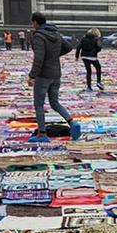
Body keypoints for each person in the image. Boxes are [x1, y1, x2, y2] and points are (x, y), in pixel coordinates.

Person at [27, 12, 81, 143]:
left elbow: (39, 58)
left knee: (39, 105)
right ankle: (72, 122)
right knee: (55, 102)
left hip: (43, 75)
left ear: (35, 22)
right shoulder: (56, 34)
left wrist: (32, 75)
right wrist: (54, 55)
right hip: (56, 74)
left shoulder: (39, 36)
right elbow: (68, 47)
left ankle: (42, 134)